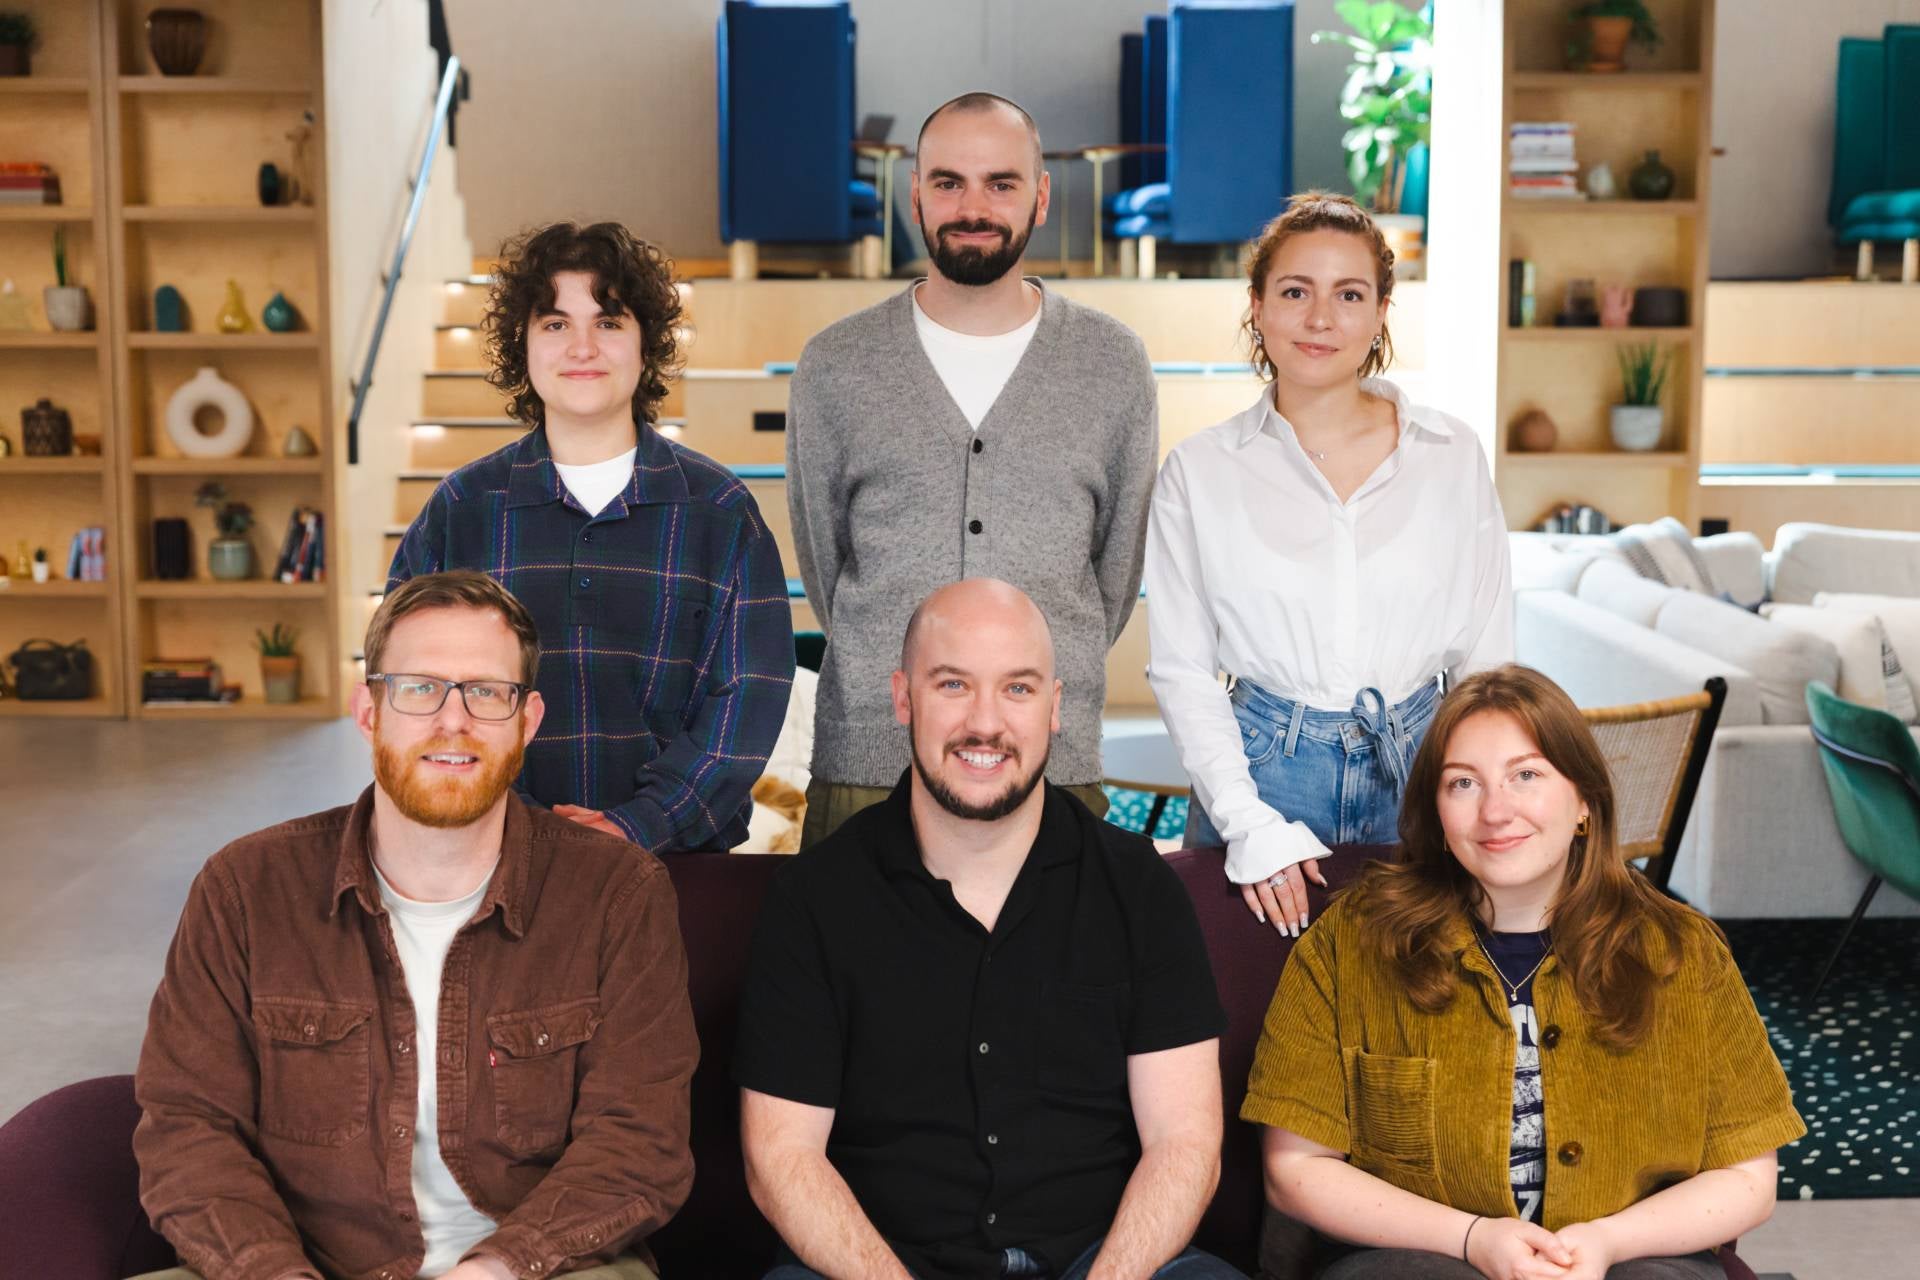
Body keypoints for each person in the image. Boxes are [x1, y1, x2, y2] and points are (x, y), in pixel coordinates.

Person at [133, 572, 699, 1280]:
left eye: (486, 692)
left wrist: (494, 1269)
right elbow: (189, 1128)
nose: (452, 720)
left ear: (527, 721)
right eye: (419, 687)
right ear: (369, 711)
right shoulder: (244, 890)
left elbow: (640, 1143)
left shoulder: (618, 894)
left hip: (543, 1267)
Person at [735, 578, 1242, 1280]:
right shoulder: (815, 897)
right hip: (876, 1264)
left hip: (1106, 1263)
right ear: (903, 698)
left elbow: (1184, 1144)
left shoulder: (1139, 887)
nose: (985, 723)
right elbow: (781, 1157)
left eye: (1017, 689)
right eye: (952, 685)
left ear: (1055, 707)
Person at [1242, 665, 1804, 1279]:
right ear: (1436, 811)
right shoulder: (1351, 942)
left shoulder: (1684, 952)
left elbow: (1748, 1178)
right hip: (1414, 1255)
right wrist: (1473, 1238)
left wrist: (1606, 1243)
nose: (1496, 811)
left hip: (1638, 1255)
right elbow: (1295, 1170)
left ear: (1584, 799)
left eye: (1526, 775)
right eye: (1463, 783)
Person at [787, 92, 1159, 847]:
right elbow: (826, 565)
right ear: (915, 195)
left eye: (1001, 183)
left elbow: (1113, 577)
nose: (973, 207)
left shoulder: (1112, 364)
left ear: (1041, 196)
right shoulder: (835, 364)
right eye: (949, 182)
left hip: (1051, 765)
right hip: (869, 764)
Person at [1145, 192, 1511, 937]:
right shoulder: (1199, 470)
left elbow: (1486, 658)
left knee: (1418, 1000)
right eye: (1294, 292)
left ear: (1380, 313)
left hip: (1424, 767)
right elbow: (1184, 671)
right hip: (1259, 774)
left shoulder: (1451, 454)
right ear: (1256, 306)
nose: (1320, 319)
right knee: (1246, 998)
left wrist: (1480, 794)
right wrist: (1246, 822)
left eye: (1348, 295)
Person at [389, 221, 793, 853]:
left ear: (646, 344)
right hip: (488, 856)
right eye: (555, 324)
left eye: (608, 322)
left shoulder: (720, 512)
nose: (582, 348)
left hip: (679, 862)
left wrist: (637, 825)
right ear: (522, 346)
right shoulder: (460, 510)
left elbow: (749, 698)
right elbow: (408, 691)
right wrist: (525, 827)